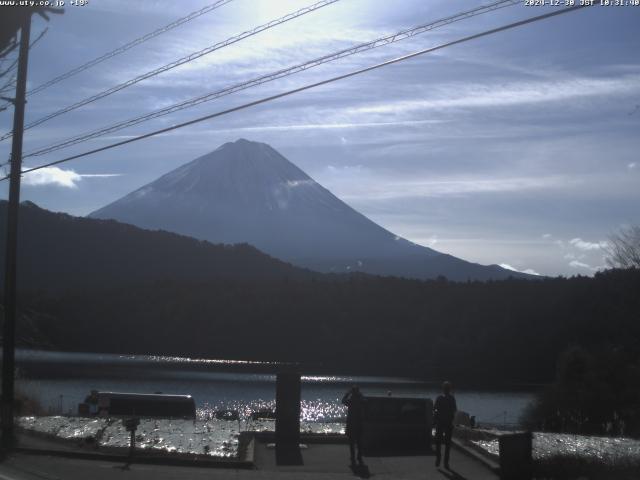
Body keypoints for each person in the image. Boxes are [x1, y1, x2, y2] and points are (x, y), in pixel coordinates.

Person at [433, 381, 457, 469]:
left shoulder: (439, 398)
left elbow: (435, 409)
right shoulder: (451, 398)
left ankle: (438, 458)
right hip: (448, 423)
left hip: (440, 422)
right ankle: (446, 462)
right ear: (449, 389)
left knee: (438, 442)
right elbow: (454, 410)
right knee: (447, 443)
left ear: (443, 389)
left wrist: (435, 418)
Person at [342, 385, 365, 465]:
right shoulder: (361, 400)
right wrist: (360, 394)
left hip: (351, 422)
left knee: (351, 442)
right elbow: (365, 401)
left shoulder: (351, 401)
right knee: (359, 441)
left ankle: (353, 456)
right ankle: (359, 456)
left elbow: (343, 400)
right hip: (359, 422)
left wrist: (347, 393)